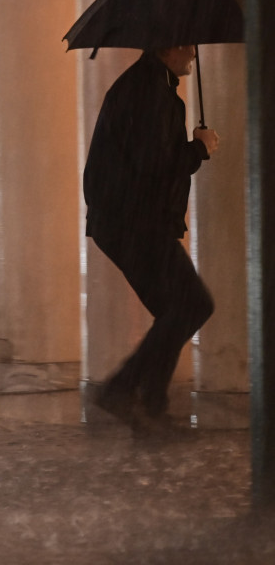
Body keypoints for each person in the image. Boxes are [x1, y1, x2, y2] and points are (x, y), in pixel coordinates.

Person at [84, 45, 220, 436]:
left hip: (129, 219)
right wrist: (200, 147)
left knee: (177, 312)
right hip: (134, 221)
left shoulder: (151, 86)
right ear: (169, 47)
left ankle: (151, 408)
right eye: (188, 45)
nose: (194, 53)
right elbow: (156, 165)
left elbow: (150, 158)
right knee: (193, 304)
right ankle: (122, 391)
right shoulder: (148, 91)